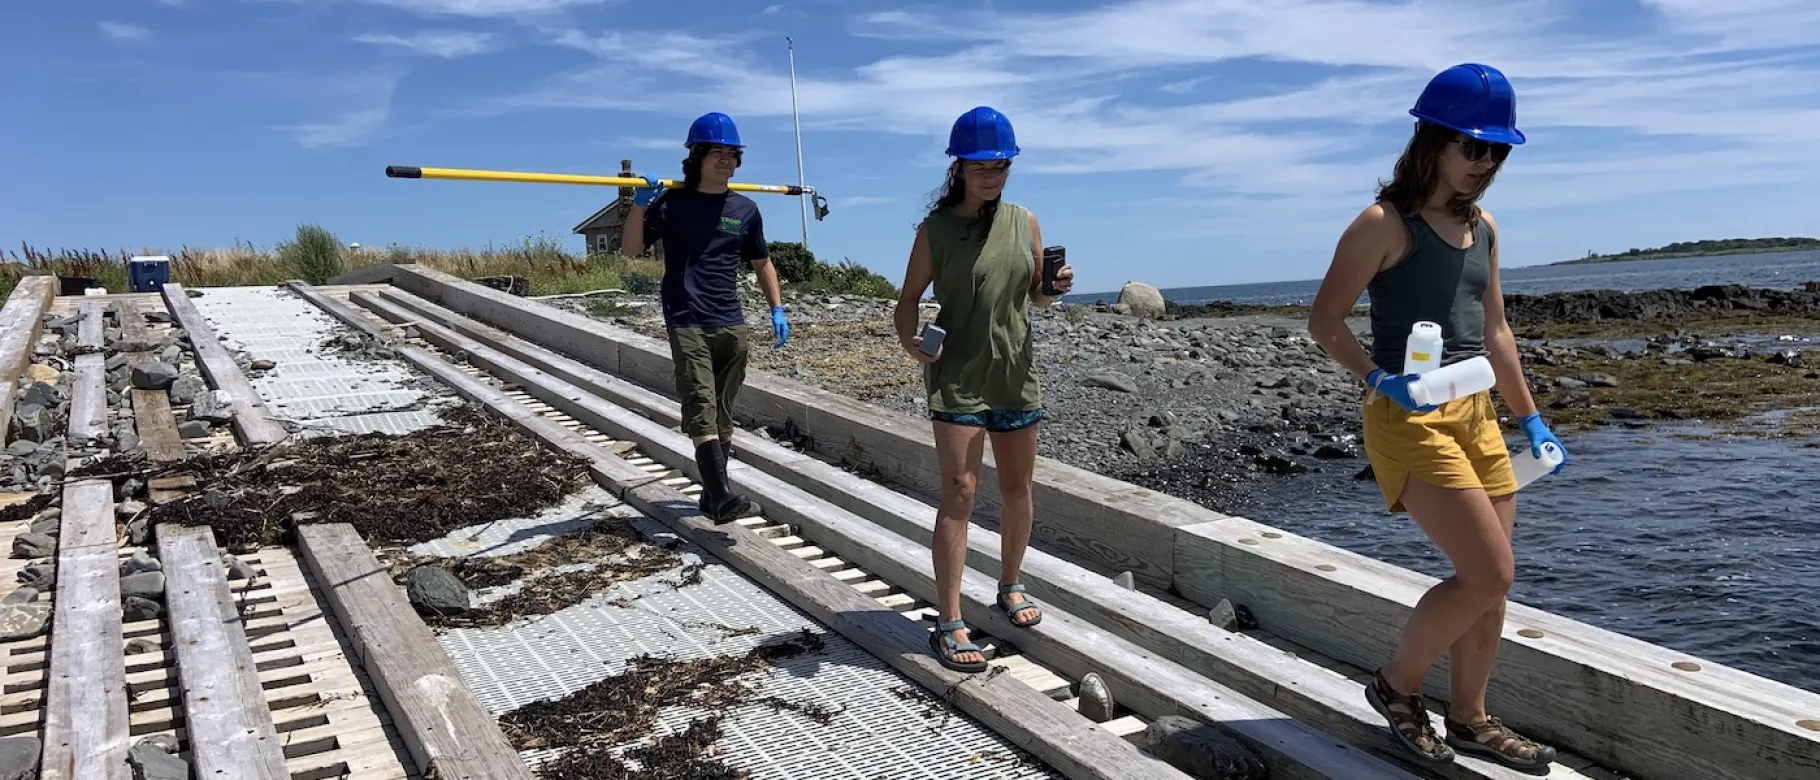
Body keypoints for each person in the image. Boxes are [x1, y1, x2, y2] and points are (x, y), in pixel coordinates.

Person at [1306, 63, 1566, 771]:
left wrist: (1531, 418)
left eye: (1497, 151)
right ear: (1433, 139)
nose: (1486, 164)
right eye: (1473, 146)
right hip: (1410, 419)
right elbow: (1325, 320)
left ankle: (1472, 718)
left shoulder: (1483, 228)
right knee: (1489, 574)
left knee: (1493, 585)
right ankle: (1397, 685)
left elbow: (1497, 330)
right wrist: (1378, 378)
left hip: (1477, 413)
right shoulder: (1383, 224)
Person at [892, 106, 1073, 673]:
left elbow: (1035, 299)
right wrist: (913, 344)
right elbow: (906, 305)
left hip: (1015, 373)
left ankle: (1011, 585)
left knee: (1018, 490)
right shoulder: (935, 230)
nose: (991, 175)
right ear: (959, 167)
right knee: (961, 494)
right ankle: (948, 621)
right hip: (958, 377)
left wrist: (1055, 289)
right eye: (980, 166)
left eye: (1000, 165)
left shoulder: (1026, 221)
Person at [621, 111, 790, 524]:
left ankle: (712, 496)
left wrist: (777, 308)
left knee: (722, 409)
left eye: (733, 154)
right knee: (700, 401)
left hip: (731, 319)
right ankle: (721, 495)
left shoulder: (745, 209)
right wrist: (640, 206)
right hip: (686, 315)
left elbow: (762, 262)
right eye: (717, 153)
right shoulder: (673, 202)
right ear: (696, 157)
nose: (726, 160)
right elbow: (630, 249)